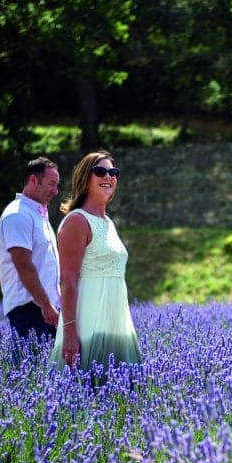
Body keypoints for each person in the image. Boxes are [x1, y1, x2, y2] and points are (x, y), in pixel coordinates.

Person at [50, 151, 142, 372]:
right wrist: (70, 331)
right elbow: (68, 280)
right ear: (85, 178)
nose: (108, 177)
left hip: (116, 321)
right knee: (84, 393)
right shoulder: (77, 221)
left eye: (113, 172)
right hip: (88, 323)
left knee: (124, 393)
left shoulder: (108, 222)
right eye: (100, 171)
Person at [0, 156, 61, 342]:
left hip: (45, 307)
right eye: (51, 184)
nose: (56, 191)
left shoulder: (38, 215)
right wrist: (45, 303)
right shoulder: (17, 214)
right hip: (30, 307)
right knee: (31, 367)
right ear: (34, 180)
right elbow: (23, 264)